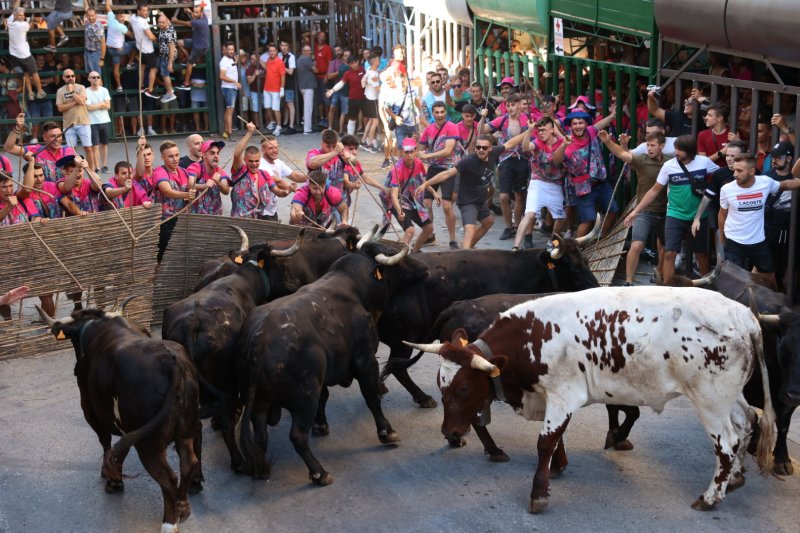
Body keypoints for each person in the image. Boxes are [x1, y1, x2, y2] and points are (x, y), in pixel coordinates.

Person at [419, 125, 534, 250]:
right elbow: (447, 173)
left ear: (490, 148)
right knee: (470, 230)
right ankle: (465, 258)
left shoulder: (495, 152)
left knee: (488, 221)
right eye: (478, 147)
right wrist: (427, 183)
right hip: (467, 202)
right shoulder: (468, 161)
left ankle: (468, 248)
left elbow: (511, 142)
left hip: (480, 201)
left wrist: (529, 130)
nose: (480, 150)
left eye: (484, 148)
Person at [625, 135, 719, 285]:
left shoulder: (704, 162)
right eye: (675, 148)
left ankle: (707, 285)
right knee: (670, 252)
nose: (676, 152)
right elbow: (654, 191)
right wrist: (635, 211)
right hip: (675, 215)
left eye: (680, 150)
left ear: (689, 151)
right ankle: (669, 286)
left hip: (699, 216)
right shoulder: (669, 166)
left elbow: (721, 176)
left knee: (701, 253)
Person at [601, 130, 671, 284]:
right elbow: (622, 155)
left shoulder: (670, 160)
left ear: (662, 146)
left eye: (652, 145)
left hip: (667, 212)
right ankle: (628, 281)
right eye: (647, 145)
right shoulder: (642, 159)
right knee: (637, 244)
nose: (649, 148)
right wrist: (607, 141)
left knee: (666, 247)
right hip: (645, 211)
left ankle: (659, 273)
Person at [716, 153, 800, 279]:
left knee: (769, 277)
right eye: (734, 170)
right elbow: (722, 214)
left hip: (758, 241)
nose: (734, 174)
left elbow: (786, 185)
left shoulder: (765, 182)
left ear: (752, 171)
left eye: (739, 171)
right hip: (734, 242)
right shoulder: (726, 189)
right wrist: (722, 236)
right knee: (733, 280)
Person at [511, 116, 570, 250]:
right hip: (538, 182)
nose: (541, 133)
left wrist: (565, 144)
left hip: (556, 184)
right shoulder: (537, 142)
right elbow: (525, 147)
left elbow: (560, 160)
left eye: (543, 130)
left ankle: (553, 241)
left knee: (560, 217)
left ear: (551, 130)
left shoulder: (562, 141)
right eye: (539, 130)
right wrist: (529, 131)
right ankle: (515, 247)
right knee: (530, 213)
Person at [557, 108, 618, 238]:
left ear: (586, 124)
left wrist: (612, 116)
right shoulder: (567, 142)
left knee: (613, 210)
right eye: (575, 123)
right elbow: (556, 160)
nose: (578, 126)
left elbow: (599, 125)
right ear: (571, 125)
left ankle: (602, 237)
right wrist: (563, 145)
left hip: (600, 182)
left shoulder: (591, 132)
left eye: (581, 122)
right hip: (583, 187)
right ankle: (577, 249)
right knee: (588, 221)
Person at [485, 93, 532, 243]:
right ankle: (508, 226)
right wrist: (482, 117)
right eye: (508, 105)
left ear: (519, 105)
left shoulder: (528, 120)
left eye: (513, 105)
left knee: (519, 196)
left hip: (523, 159)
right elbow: (483, 129)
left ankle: (518, 226)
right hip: (505, 159)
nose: (510, 108)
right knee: (504, 197)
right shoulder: (503, 119)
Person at [419, 100, 460, 248]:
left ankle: (452, 239)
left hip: (449, 168)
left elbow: (448, 150)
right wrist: (418, 149)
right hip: (434, 168)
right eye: (437, 112)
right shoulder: (428, 129)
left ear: (446, 112)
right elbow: (421, 148)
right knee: (426, 203)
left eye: (442, 112)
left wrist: (426, 156)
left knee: (447, 206)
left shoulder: (451, 127)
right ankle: (429, 235)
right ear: (432, 113)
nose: (440, 115)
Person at [229, 123, 291, 220]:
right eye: (251, 161)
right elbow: (237, 154)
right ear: (245, 160)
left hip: (259, 217)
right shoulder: (240, 171)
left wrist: (287, 191)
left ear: (260, 159)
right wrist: (249, 133)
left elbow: (278, 192)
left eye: (256, 161)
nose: (254, 164)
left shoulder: (264, 174)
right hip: (241, 218)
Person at [386, 138, 434, 253]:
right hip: (398, 202)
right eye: (406, 152)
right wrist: (399, 211)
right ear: (402, 152)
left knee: (429, 228)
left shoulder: (418, 163)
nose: (409, 155)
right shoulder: (397, 169)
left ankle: (415, 252)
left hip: (413, 202)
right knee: (410, 231)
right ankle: (396, 256)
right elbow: (393, 195)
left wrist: (434, 192)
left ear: (416, 151)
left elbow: (423, 181)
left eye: (411, 151)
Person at [152, 140, 195, 262]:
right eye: (170, 156)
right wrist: (186, 194)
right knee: (164, 256)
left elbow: (191, 186)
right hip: (165, 222)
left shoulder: (183, 171)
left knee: (181, 254)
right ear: (162, 157)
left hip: (182, 219)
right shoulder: (160, 172)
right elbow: (167, 191)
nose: (175, 159)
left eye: (177, 155)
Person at [5, 115, 75, 183]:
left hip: (63, 191)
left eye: (59, 136)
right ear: (44, 137)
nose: (57, 139)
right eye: (53, 136)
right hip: (42, 192)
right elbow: (9, 148)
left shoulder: (68, 151)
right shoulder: (35, 150)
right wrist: (17, 128)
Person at [764, 141, 796, 290]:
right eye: (773, 157)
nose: (774, 160)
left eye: (778, 157)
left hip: (791, 231)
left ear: (789, 159)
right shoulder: (765, 177)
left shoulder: (795, 177)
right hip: (768, 229)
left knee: (788, 272)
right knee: (766, 269)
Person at [258, 133, 306, 220]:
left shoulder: (278, 162)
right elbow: (278, 181)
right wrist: (296, 190)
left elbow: (295, 176)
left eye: (276, 147)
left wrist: (311, 176)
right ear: (263, 150)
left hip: (272, 208)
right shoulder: (261, 164)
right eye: (270, 148)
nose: (274, 150)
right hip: (261, 210)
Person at [56, 69, 95, 172]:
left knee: (88, 148)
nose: (70, 78)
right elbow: (60, 108)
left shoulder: (81, 87)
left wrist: (72, 92)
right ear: (63, 78)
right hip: (69, 125)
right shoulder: (60, 91)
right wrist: (75, 102)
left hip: (83, 122)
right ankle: (73, 171)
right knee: (71, 151)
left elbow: (82, 101)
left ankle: (91, 171)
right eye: (68, 76)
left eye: (72, 76)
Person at [6, 1, 46, 100]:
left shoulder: (10, 21)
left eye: (23, 15)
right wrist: (33, 19)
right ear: (16, 16)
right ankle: (40, 92)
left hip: (14, 54)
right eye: (20, 15)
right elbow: (30, 25)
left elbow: (14, 9)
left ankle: (31, 93)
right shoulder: (22, 25)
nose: (22, 17)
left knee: (26, 73)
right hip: (24, 54)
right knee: (34, 72)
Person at [185, 140, 231, 215]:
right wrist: (205, 186)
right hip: (196, 215)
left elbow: (226, 191)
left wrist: (219, 183)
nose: (216, 156)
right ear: (204, 155)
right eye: (212, 153)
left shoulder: (219, 171)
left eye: (218, 153)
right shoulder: (196, 167)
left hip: (214, 215)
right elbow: (189, 185)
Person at [327, 55, 366, 138]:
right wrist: (332, 90)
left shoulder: (363, 69)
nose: (354, 65)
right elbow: (341, 83)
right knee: (352, 119)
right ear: (349, 65)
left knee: (367, 118)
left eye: (355, 62)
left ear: (358, 62)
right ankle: (350, 139)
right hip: (353, 99)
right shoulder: (347, 73)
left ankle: (367, 139)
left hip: (364, 98)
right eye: (351, 64)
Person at [173, 5, 209, 89]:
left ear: (201, 12)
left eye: (197, 12)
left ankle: (186, 83)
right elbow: (194, 16)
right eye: (194, 11)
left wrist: (176, 20)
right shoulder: (204, 16)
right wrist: (190, 12)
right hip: (195, 41)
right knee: (179, 42)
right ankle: (189, 57)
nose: (195, 14)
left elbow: (187, 23)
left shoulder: (198, 22)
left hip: (200, 47)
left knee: (189, 64)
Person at [105, 0, 135, 94]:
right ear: (117, 16)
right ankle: (130, 64)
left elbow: (107, 7)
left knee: (116, 67)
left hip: (110, 50)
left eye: (124, 17)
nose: (123, 19)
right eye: (121, 16)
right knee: (135, 44)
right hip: (120, 50)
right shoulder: (122, 27)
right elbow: (131, 36)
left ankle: (119, 86)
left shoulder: (111, 19)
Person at [131, 2, 159, 101]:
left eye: (147, 10)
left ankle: (141, 86)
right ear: (138, 11)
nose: (146, 12)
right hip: (148, 49)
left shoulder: (133, 18)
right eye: (144, 10)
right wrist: (156, 38)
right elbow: (151, 37)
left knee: (142, 67)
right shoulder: (143, 22)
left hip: (140, 47)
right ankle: (150, 90)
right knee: (153, 68)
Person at [85, 71, 112, 174]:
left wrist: (95, 105)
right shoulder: (86, 91)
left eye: (97, 77)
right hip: (92, 122)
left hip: (104, 120)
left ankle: (104, 165)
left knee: (104, 144)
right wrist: (101, 103)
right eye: (93, 77)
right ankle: (97, 167)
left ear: (100, 79)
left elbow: (108, 106)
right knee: (95, 146)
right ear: (89, 79)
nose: (95, 79)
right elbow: (88, 107)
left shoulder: (104, 90)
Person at [262, 44, 286, 136]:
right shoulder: (268, 60)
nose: (272, 52)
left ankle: (279, 126)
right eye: (270, 51)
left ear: (276, 51)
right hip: (267, 88)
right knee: (267, 107)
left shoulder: (279, 62)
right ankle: (272, 121)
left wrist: (282, 88)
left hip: (276, 89)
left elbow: (283, 76)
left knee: (275, 108)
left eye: (273, 50)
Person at [361, 54, 382, 152]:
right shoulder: (372, 74)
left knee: (371, 120)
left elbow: (378, 74)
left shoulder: (370, 70)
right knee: (376, 121)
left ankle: (363, 140)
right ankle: (370, 144)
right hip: (372, 99)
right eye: (378, 60)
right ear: (374, 62)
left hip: (368, 98)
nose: (379, 61)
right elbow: (378, 88)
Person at [219, 42, 240, 140]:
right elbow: (222, 76)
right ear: (225, 50)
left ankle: (226, 132)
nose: (231, 51)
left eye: (232, 49)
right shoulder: (224, 61)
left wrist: (235, 62)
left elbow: (229, 69)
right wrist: (235, 81)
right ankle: (230, 134)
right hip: (229, 88)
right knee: (230, 112)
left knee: (228, 111)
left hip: (230, 88)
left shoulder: (229, 60)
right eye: (229, 49)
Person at [156, 13, 178, 103]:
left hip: (168, 56)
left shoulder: (169, 33)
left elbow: (172, 48)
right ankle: (170, 91)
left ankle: (170, 93)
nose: (160, 24)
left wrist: (170, 63)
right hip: (163, 55)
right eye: (159, 22)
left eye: (162, 22)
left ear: (166, 23)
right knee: (162, 72)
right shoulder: (167, 25)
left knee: (165, 74)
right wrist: (161, 13)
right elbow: (167, 19)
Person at [314, 31, 333, 127]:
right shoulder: (314, 47)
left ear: (325, 38)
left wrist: (327, 76)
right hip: (315, 77)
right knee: (319, 99)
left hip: (324, 77)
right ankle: (321, 118)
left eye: (323, 36)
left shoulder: (327, 48)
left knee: (326, 99)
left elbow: (330, 63)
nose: (321, 38)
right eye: (319, 36)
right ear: (316, 37)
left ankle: (326, 119)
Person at [297, 45, 317, 135]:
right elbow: (316, 70)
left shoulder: (300, 59)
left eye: (310, 50)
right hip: (308, 87)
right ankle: (307, 129)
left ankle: (305, 124)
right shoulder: (306, 59)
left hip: (303, 86)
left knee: (307, 107)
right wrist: (314, 62)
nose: (310, 52)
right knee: (308, 108)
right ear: (304, 51)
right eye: (308, 51)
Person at [278, 41, 297, 134]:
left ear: (288, 47)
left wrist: (281, 65)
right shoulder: (278, 55)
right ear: (280, 46)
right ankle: (285, 122)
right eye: (282, 45)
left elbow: (291, 72)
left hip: (289, 84)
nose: (284, 47)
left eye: (286, 45)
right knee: (285, 104)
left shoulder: (291, 57)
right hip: (280, 84)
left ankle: (291, 126)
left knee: (290, 103)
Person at [82, 5, 106, 78]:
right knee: (90, 76)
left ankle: (100, 89)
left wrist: (102, 59)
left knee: (97, 77)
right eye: (89, 16)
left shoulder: (98, 27)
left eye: (93, 15)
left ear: (96, 15)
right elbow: (87, 8)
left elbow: (103, 43)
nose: (91, 17)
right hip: (87, 52)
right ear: (86, 15)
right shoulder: (88, 22)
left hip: (95, 53)